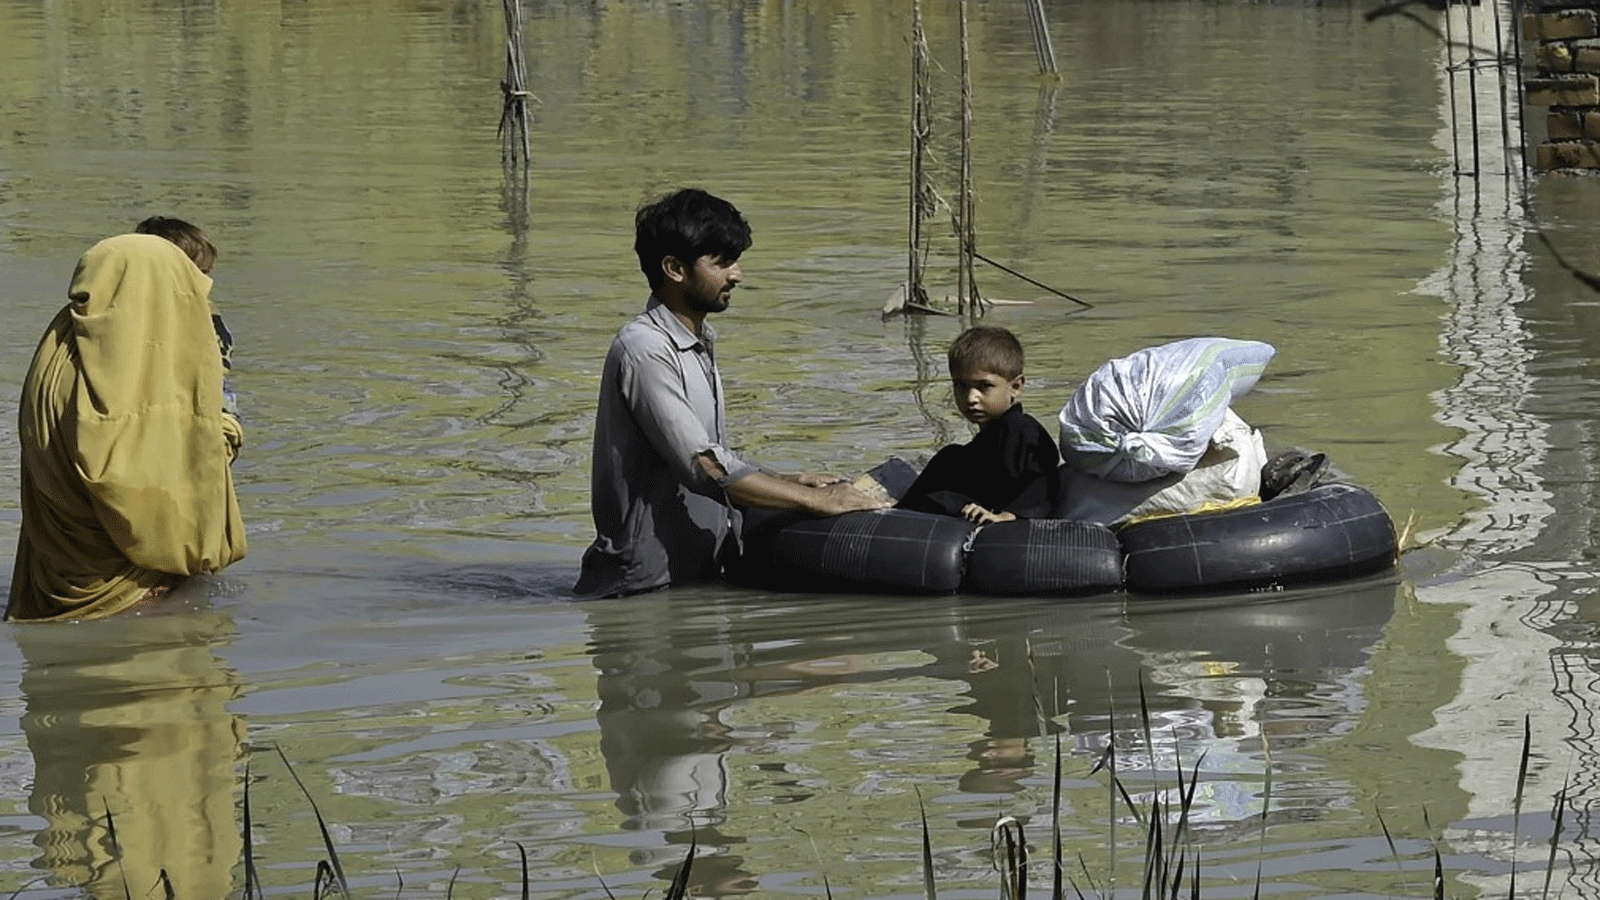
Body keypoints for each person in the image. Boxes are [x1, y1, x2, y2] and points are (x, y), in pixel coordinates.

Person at [575, 187, 886, 599]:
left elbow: (709, 455)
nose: (737, 275)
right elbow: (705, 468)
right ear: (674, 268)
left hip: (694, 577)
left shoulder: (699, 340)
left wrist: (791, 480)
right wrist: (822, 502)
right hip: (641, 591)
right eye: (722, 263)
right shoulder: (645, 350)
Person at [6, 231, 248, 622]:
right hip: (134, 599)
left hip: (55, 583)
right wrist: (225, 426)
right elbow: (144, 497)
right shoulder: (132, 377)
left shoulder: (58, 355)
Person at [896, 326, 1061, 524]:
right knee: (949, 456)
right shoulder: (975, 446)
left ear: (1015, 387)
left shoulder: (1021, 430)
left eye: (985, 386)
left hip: (1005, 523)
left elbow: (1044, 481)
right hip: (965, 511)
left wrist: (1005, 516)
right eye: (961, 385)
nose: (971, 398)